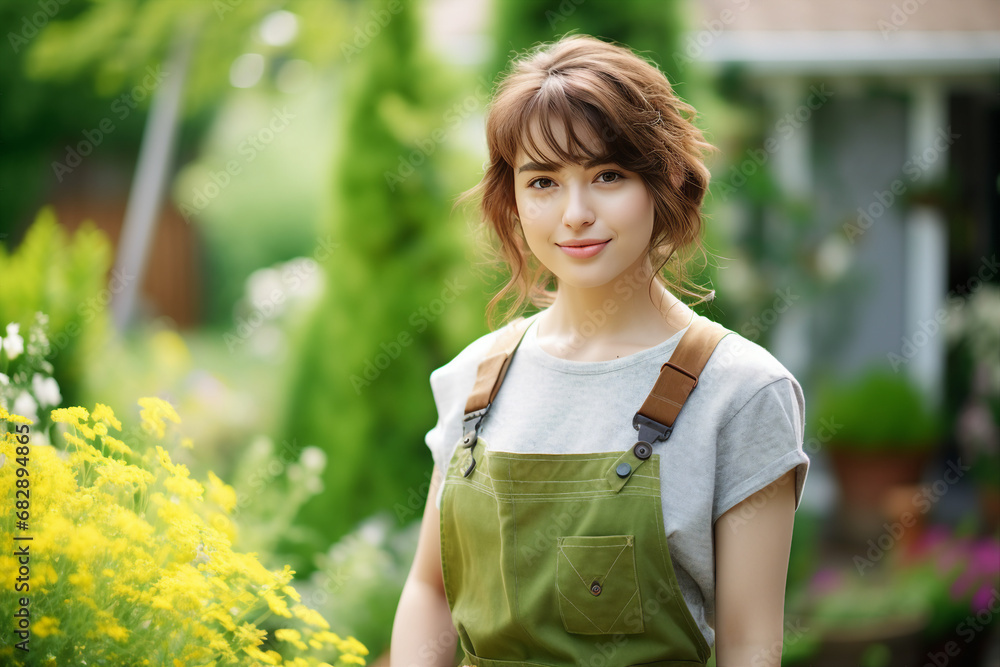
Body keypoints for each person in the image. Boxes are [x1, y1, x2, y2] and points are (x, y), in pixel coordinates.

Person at [391, 33, 809, 667]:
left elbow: (752, 647)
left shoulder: (742, 392)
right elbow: (429, 589)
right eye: (543, 181)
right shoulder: (474, 379)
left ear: (665, 181)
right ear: (513, 200)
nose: (575, 212)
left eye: (607, 175)